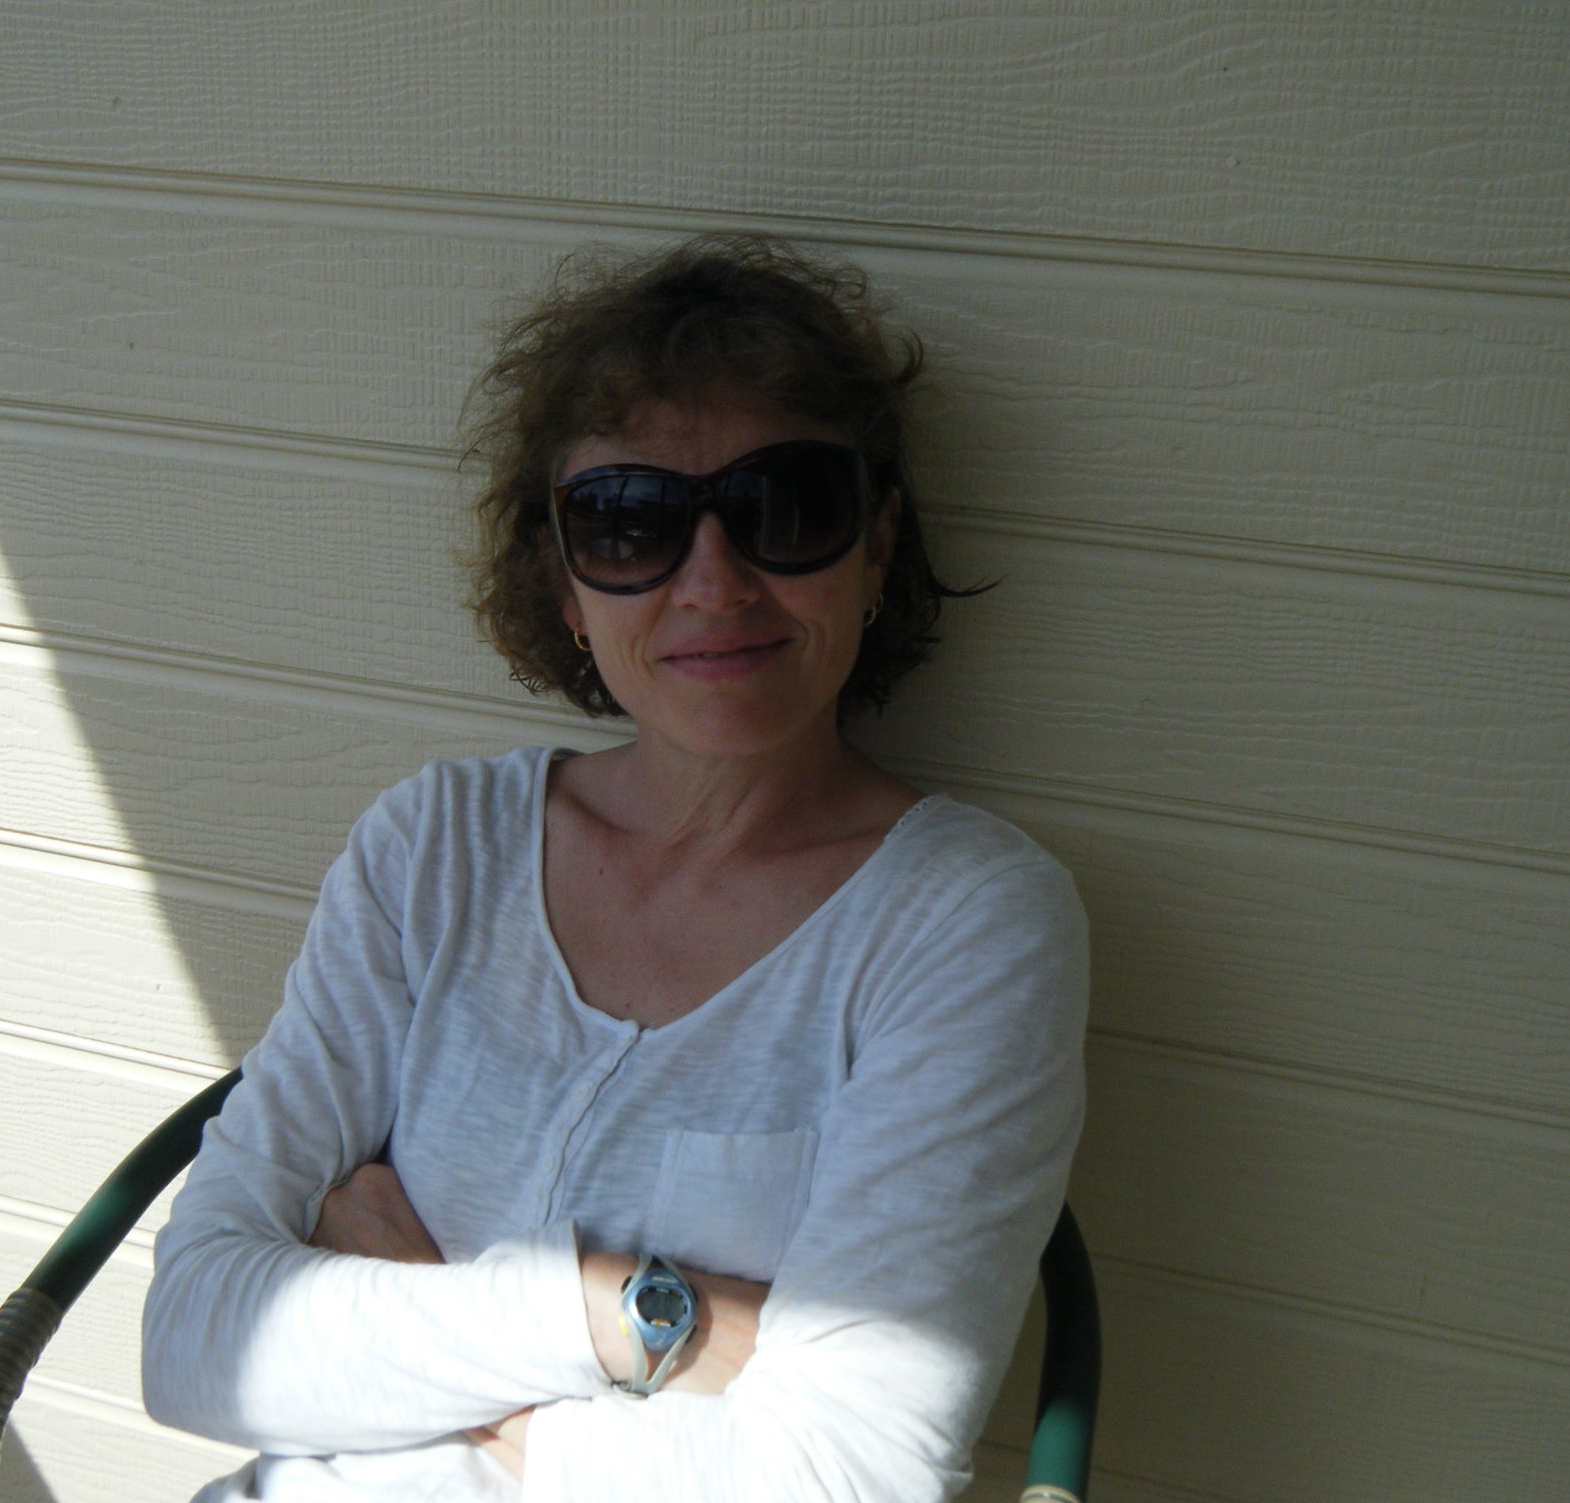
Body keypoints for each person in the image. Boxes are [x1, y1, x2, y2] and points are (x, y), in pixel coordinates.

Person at [141, 235, 1088, 1502]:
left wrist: (406, 1313)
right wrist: (631, 1313)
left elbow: (841, 1478)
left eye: (783, 508)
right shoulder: (435, 850)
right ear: (564, 585)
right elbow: (198, 1341)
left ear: (874, 547)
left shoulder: (966, 924)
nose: (713, 581)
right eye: (629, 521)